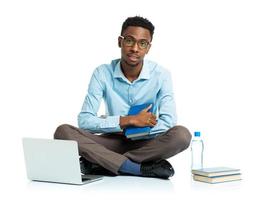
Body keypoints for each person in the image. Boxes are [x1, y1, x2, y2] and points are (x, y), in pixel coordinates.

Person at [54, 16, 192, 179]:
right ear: (120, 42)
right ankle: (136, 168)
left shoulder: (161, 75)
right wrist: (129, 121)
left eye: (142, 43)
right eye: (129, 40)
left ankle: (104, 163)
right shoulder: (102, 73)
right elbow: (85, 121)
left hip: (147, 144)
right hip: (111, 142)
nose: (135, 48)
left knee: (182, 135)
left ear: (148, 48)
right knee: (63, 132)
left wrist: (137, 130)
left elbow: (168, 122)